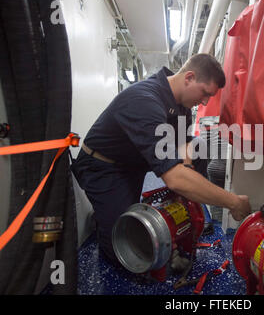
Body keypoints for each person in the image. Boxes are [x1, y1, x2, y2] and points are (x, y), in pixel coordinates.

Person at [72, 53, 252, 264]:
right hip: (104, 166)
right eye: (205, 93)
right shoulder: (143, 100)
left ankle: (188, 209)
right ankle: (104, 216)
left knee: (199, 146)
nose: (204, 101)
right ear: (189, 78)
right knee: (126, 247)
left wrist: (186, 182)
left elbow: (185, 146)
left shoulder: (182, 105)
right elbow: (174, 177)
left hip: (137, 160)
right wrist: (232, 202)